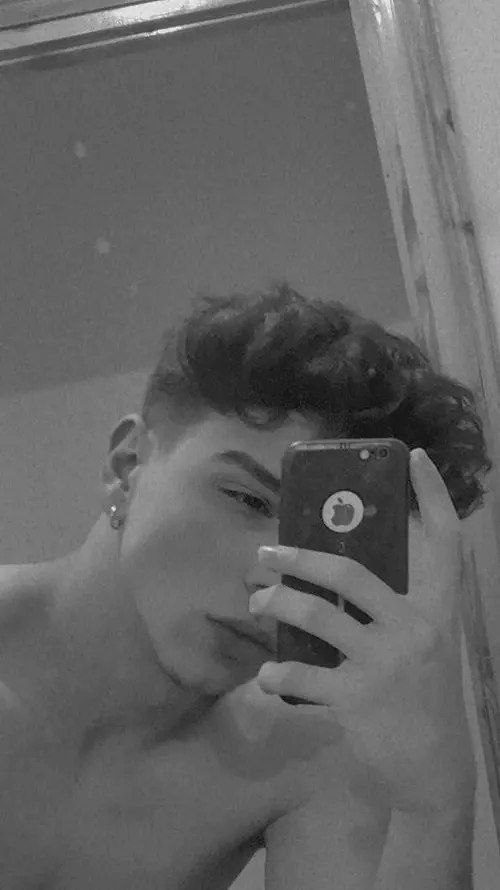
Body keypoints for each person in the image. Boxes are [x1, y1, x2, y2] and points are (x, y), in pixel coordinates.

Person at [0, 283, 491, 890]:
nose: (279, 574)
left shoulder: (300, 749)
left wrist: (434, 805)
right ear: (127, 466)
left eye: (323, 549)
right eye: (246, 498)